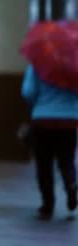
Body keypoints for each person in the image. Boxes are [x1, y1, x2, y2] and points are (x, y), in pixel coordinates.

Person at [21, 63, 78, 220]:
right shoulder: (73, 64)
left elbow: (28, 92)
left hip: (43, 120)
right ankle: (71, 184)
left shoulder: (38, 63)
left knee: (44, 164)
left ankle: (48, 204)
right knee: (67, 159)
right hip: (69, 120)